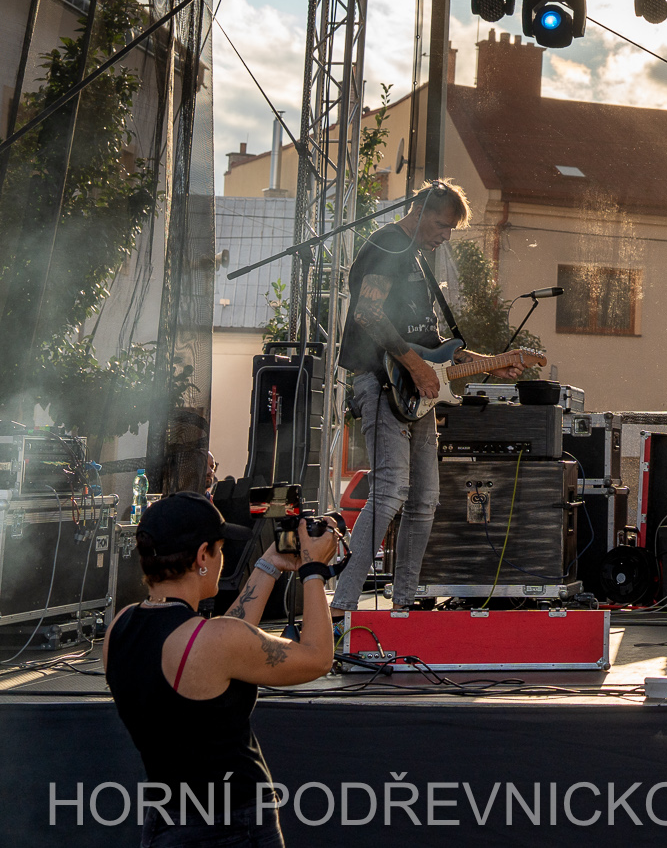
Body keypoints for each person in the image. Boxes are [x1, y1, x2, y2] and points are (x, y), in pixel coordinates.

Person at [329, 181, 537, 613]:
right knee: (390, 491)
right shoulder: (387, 245)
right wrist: (417, 367)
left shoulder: (419, 260)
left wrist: (489, 363)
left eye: (451, 229)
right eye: (442, 225)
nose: (446, 235)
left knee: (425, 499)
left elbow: (434, 345)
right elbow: (367, 313)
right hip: (383, 382)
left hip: (415, 391)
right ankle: (343, 605)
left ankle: (404, 602)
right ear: (420, 210)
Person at [104, 492, 342, 845]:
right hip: (233, 827)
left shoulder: (120, 627)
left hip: (165, 823)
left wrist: (269, 564)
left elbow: (223, 641)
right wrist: (313, 571)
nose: (221, 559)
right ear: (203, 555)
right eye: (219, 549)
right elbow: (318, 657)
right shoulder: (212, 641)